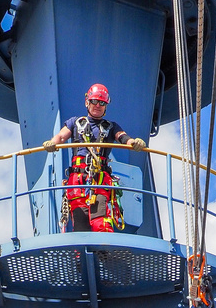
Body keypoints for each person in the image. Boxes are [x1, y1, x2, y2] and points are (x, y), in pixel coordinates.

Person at [43, 83, 146, 232]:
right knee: (79, 222)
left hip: (99, 179)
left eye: (102, 103)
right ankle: (81, 254)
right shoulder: (75, 123)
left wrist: (134, 142)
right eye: (94, 101)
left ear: (106, 105)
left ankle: (103, 253)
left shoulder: (111, 126)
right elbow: (60, 136)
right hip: (77, 180)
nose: (97, 105)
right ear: (87, 102)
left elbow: (123, 138)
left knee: (101, 221)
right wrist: (51, 143)